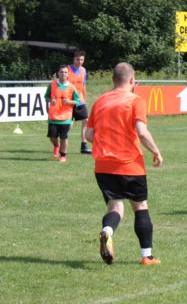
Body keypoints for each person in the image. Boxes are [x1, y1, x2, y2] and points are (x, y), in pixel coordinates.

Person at [86, 62, 164, 266]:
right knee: (140, 206)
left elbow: (88, 134)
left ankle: (107, 230)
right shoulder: (135, 100)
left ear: (113, 79)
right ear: (132, 80)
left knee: (115, 205)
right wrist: (156, 151)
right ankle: (147, 256)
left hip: (103, 165)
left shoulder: (100, 101)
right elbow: (141, 131)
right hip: (130, 164)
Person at [45, 65, 81, 163]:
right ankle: (57, 146)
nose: (63, 74)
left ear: (68, 74)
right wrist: (50, 100)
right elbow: (46, 97)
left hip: (66, 117)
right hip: (53, 116)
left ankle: (63, 155)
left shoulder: (71, 87)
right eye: (61, 72)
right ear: (58, 73)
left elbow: (78, 101)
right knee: (52, 137)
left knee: (64, 138)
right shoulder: (52, 85)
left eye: (65, 72)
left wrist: (69, 102)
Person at [67, 50, 91, 154]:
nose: (80, 61)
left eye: (82, 60)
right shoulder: (67, 69)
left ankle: (84, 145)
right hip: (69, 99)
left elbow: (83, 85)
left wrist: (84, 98)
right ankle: (62, 144)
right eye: (78, 59)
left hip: (80, 99)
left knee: (86, 120)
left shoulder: (84, 70)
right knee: (69, 123)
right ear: (74, 59)